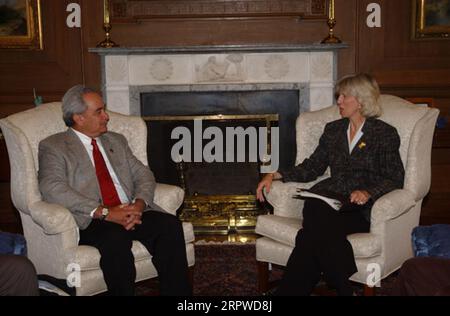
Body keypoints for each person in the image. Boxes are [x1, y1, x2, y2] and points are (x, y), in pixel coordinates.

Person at [256, 73, 405, 296]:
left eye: (345, 96)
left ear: (361, 100)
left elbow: (395, 177)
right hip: (327, 199)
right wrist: (275, 174)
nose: (339, 101)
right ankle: (344, 287)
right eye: (339, 96)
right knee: (315, 207)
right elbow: (312, 167)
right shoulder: (333, 130)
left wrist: (368, 192)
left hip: (358, 207)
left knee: (309, 236)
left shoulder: (384, 134)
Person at [38, 85, 191, 296]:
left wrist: (139, 204)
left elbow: (144, 175)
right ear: (79, 118)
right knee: (115, 239)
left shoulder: (115, 141)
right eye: (98, 111)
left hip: (130, 210)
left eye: (104, 110)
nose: (106, 116)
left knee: (169, 226)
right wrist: (105, 212)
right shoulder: (54, 146)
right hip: (92, 219)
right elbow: (52, 188)